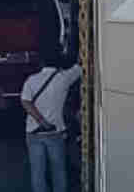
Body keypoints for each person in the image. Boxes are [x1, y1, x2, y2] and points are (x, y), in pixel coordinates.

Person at [20, 58, 83, 192]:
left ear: (41, 63)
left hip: (33, 132)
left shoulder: (31, 80)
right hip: (55, 133)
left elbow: (25, 102)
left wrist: (41, 121)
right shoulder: (64, 78)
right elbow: (80, 67)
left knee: (37, 173)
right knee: (58, 172)